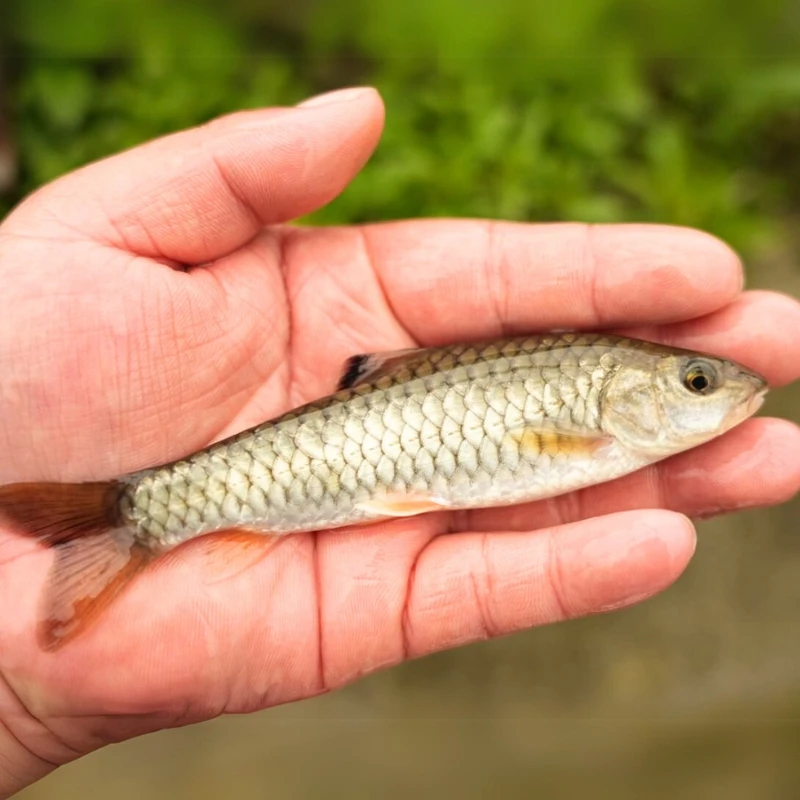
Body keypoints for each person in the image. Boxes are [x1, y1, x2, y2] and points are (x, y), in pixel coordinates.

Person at [0, 86, 798, 797]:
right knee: (170, 503)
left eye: (700, 383)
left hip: (357, 446)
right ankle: (138, 513)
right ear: (623, 394)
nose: (724, 391)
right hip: (331, 453)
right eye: (698, 383)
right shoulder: (595, 421)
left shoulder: (605, 419)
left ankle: (144, 514)